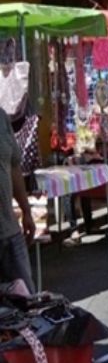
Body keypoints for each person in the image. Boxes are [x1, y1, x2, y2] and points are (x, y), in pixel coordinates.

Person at [0, 109, 35, 294]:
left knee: (29, 302)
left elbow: (14, 167)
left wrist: (26, 211)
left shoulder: (2, 117)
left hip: (10, 232)